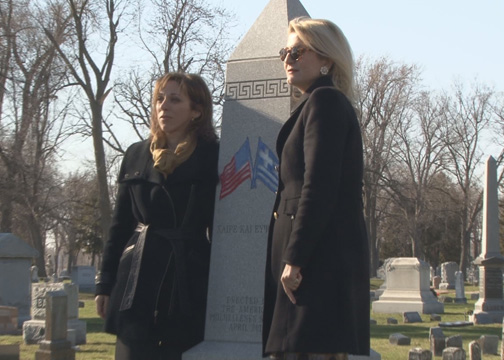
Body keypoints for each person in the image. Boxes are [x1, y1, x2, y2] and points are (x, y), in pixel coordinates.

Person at [262, 17, 370, 360]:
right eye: (285, 52)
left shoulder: (326, 103)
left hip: (316, 262)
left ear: (327, 59)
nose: (288, 59)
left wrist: (295, 258)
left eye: (298, 51)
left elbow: (320, 187)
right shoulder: (314, 105)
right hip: (309, 258)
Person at [95, 72, 219, 360]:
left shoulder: (214, 155)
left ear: (196, 110)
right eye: (160, 99)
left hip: (188, 280)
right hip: (135, 281)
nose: (164, 106)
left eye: (175, 99)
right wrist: (105, 283)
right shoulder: (136, 155)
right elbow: (120, 226)